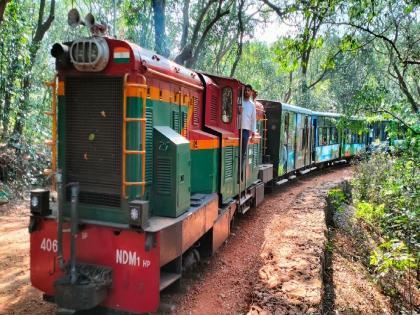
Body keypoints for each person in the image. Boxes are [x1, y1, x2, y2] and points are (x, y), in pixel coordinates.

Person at [239, 84, 257, 181]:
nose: (247, 92)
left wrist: (253, 133)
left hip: (246, 131)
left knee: (243, 153)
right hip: (236, 130)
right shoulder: (239, 102)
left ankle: (240, 174)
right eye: (245, 90)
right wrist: (238, 111)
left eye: (248, 90)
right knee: (237, 153)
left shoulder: (252, 105)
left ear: (251, 92)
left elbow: (253, 120)